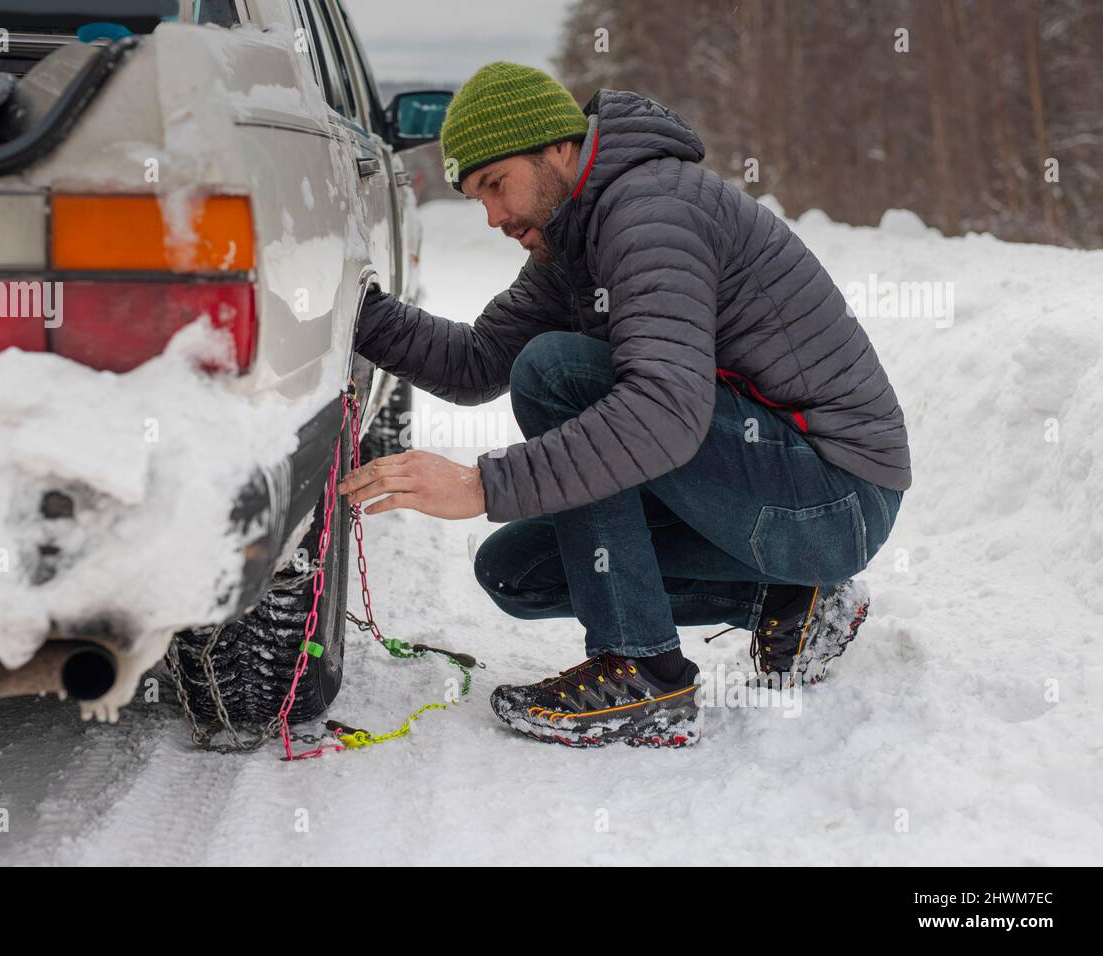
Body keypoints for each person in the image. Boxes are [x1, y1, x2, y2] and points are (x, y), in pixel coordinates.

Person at [338, 62, 910, 749]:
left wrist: (480, 485)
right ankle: (790, 599)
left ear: (555, 146)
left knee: (555, 372)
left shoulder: (651, 211)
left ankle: (644, 671)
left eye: (496, 185)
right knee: (517, 573)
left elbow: (665, 410)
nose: (492, 216)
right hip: (781, 495)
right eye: (474, 198)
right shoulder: (574, 236)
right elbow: (476, 362)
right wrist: (355, 310)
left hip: (832, 498)